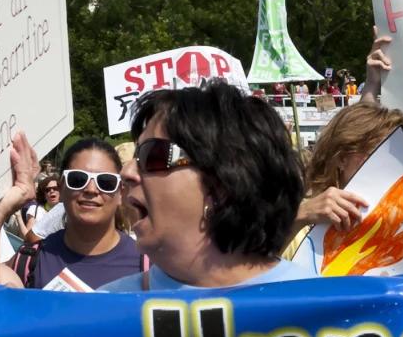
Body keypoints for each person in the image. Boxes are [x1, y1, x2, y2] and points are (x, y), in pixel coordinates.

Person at [101, 80, 311, 292]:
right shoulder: (102, 313)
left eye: (152, 155)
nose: (126, 172)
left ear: (221, 184)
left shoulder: (326, 311)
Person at [27, 137, 146, 290]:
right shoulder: (29, 262)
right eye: (77, 179)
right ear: (62, 189)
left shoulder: (150, 266)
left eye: (106, 182)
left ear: (120, 194)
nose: (91, 189)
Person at [299, 101, 403, 231]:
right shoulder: (300, 219)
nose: (391, 166)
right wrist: (301, 216)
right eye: (376, 154)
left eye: (397, 158)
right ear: (342, 158)